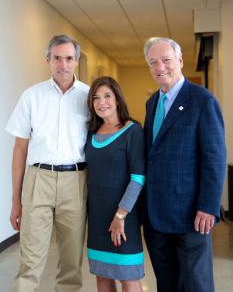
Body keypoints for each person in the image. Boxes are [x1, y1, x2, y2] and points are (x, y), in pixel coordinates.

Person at [6, 34, 89, 292]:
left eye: (68, 58)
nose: (62, 64)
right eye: (56, 58)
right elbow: (20, 150)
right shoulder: (31, 96)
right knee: (30, 260)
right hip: (38, 180)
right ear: (48, 60)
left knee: (71, 263)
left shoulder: (90, 97)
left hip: (76, 181)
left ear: (76, 61)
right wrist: (16, 200)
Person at [143, 37, 226, 292]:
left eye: (166, 60)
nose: (161, 67)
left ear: (179, 61)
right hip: (156, 215)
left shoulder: (202, 100)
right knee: (167, 284)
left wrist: (208, 206)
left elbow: (214, 158)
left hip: (192, 215)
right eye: (153, 62)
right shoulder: (152, 102)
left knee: (196, 284)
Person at [85, 76, 145, 292]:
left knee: (128, 278)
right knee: (103, 276)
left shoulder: (133, 131)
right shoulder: (91, 134)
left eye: (107, 96)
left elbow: (138, 178)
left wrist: (120, 216)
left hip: (123, 216)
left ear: (117, 99)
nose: (102, 102)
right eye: (96, 98)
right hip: (97, 217)